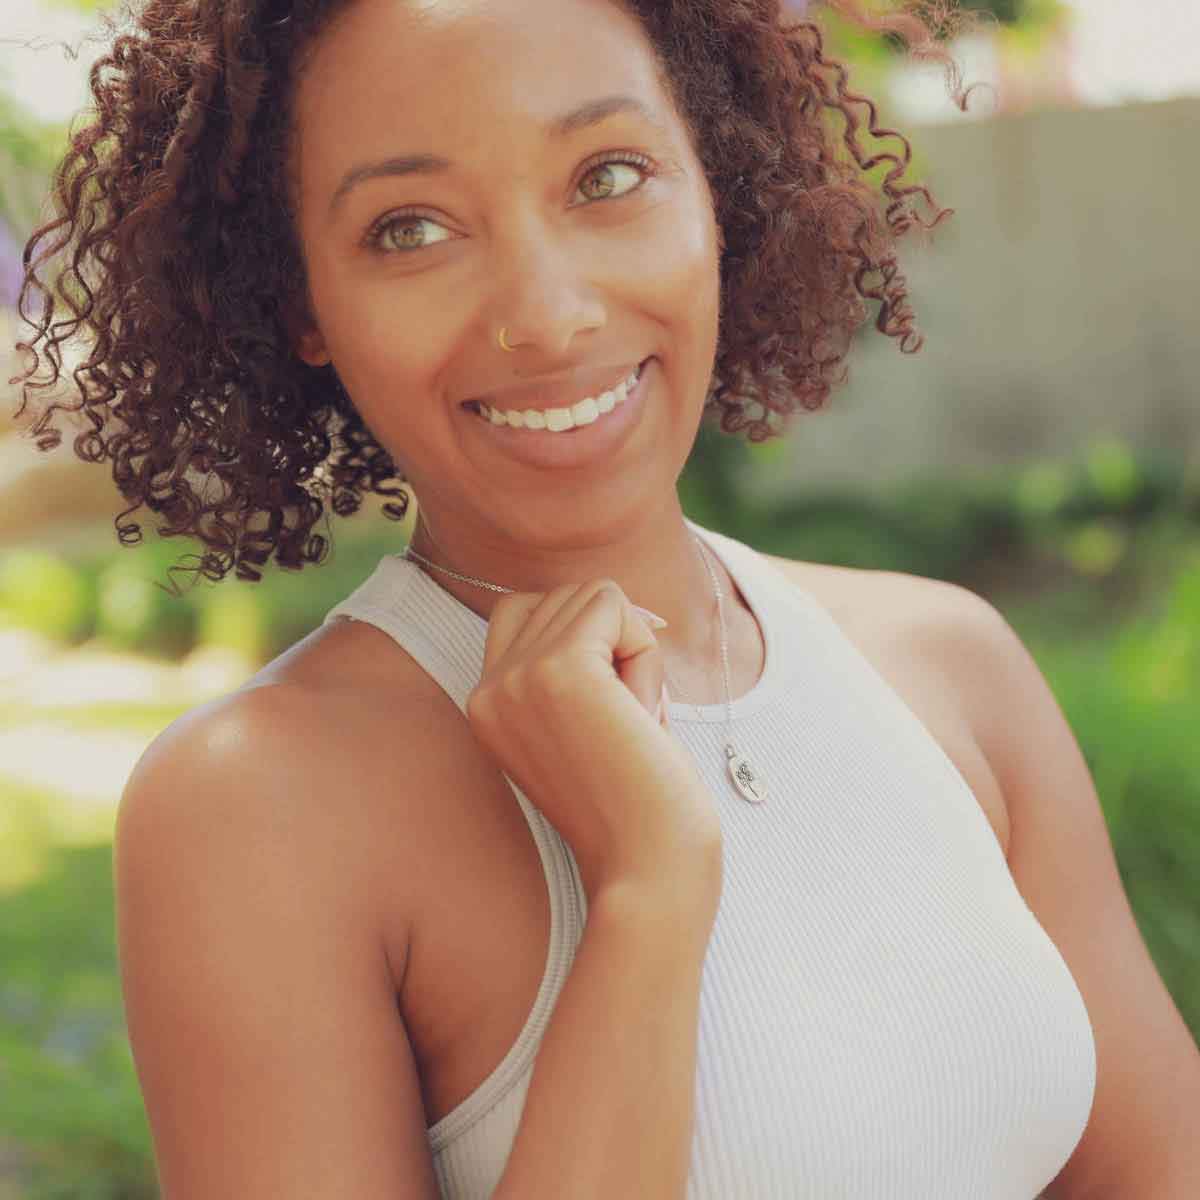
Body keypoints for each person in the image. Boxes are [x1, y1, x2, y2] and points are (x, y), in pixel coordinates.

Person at [12, 0, 1200, 1196]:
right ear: (301, 306)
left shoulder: (948, 662)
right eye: (410, 227)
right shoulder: (257, 805)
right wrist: (645, 888)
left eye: (610, 174)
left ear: (716, 192)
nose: (547, 312)